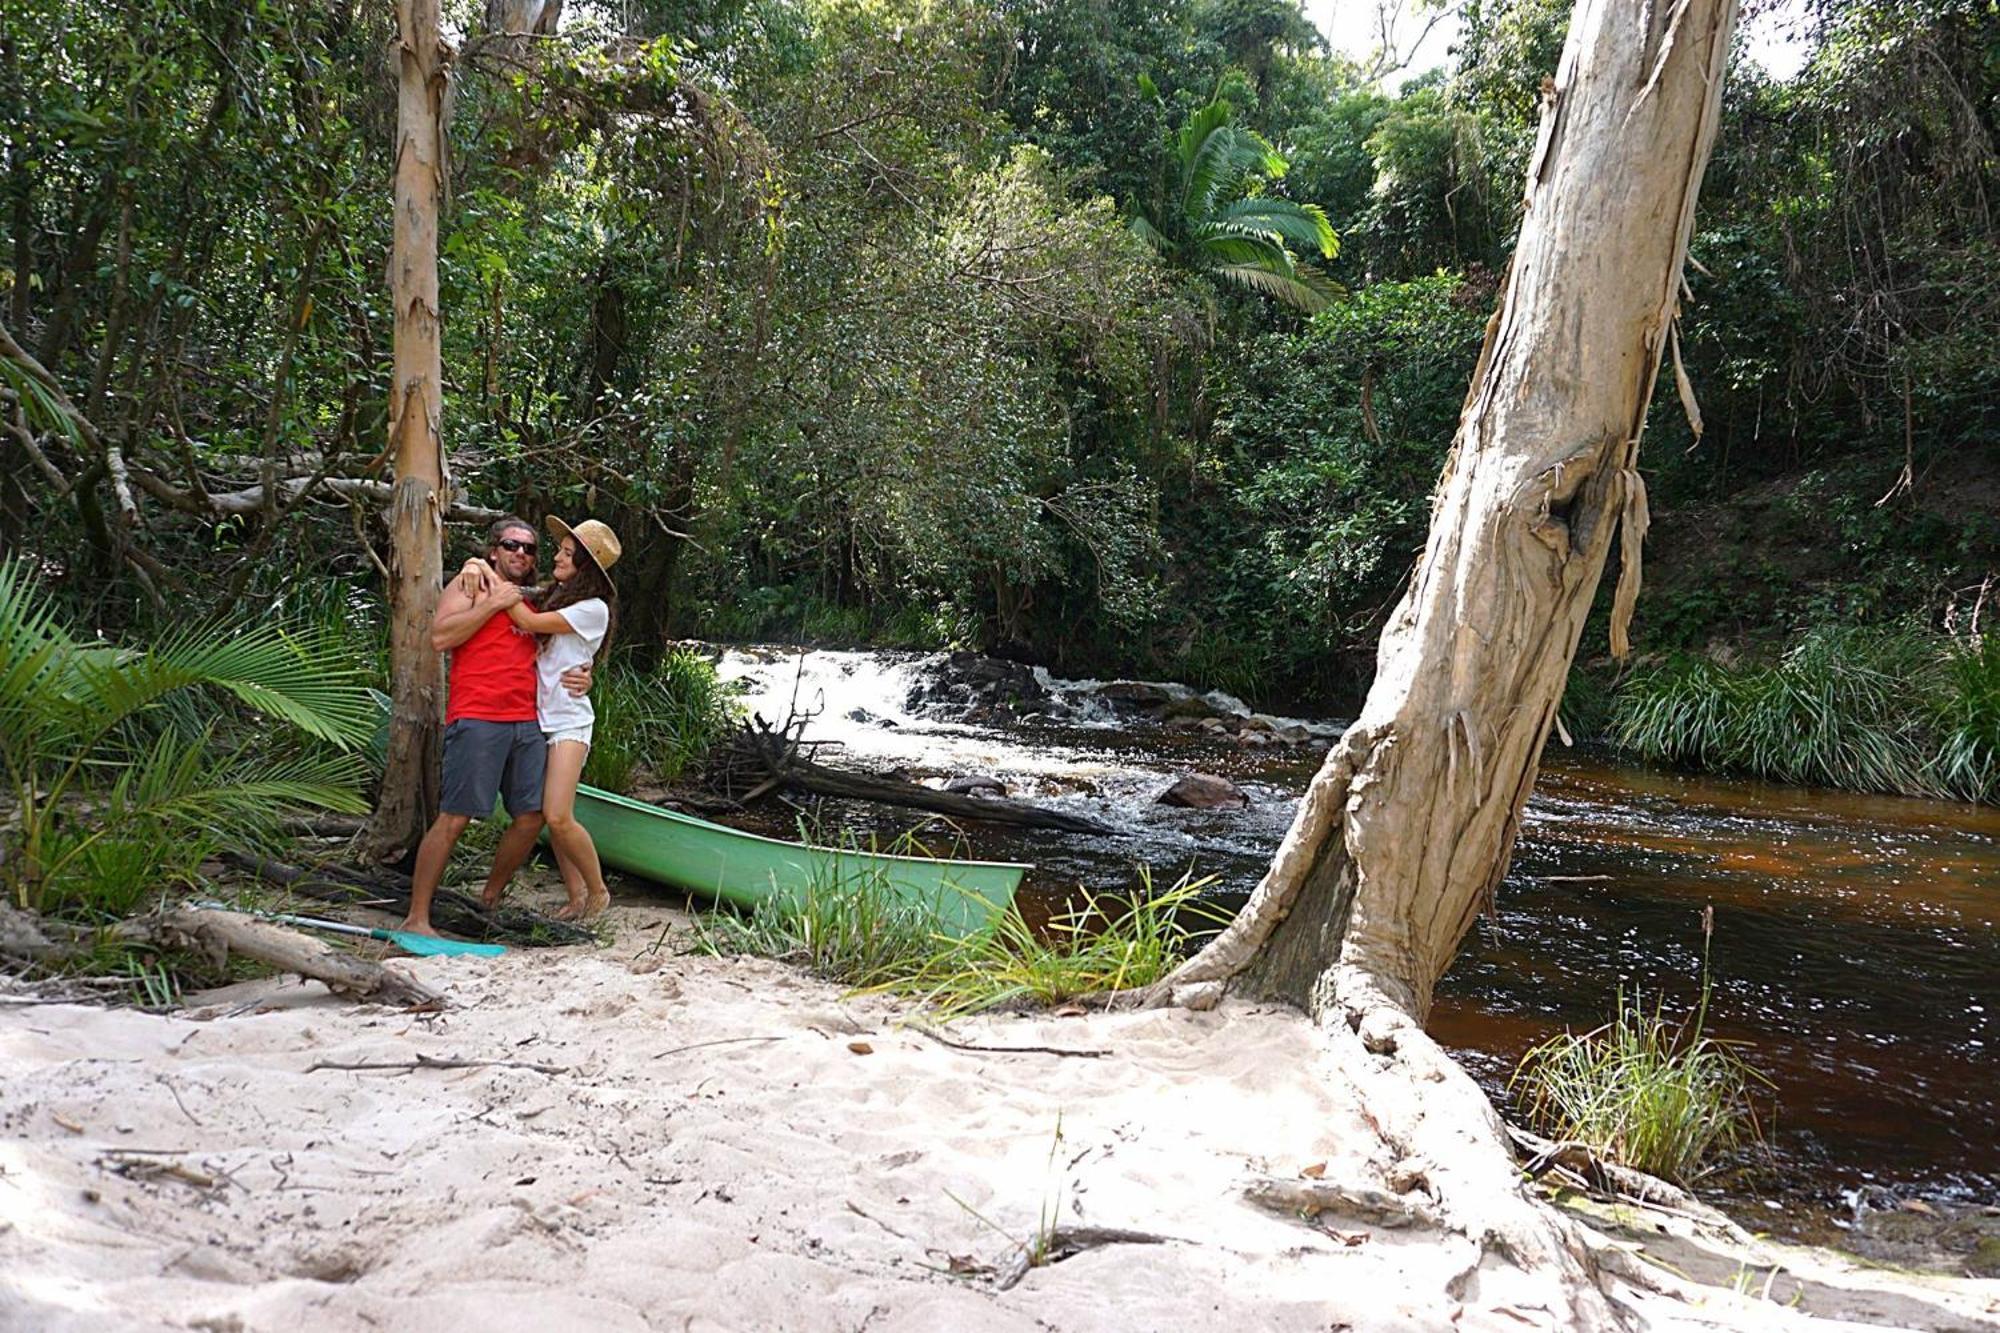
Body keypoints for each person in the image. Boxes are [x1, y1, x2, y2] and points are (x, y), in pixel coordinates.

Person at [398, 516, 589, 937]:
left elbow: (565, 647)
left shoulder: (539, 600)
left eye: (529, 548)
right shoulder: (470, 586)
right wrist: (490, 602)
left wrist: (585, 673)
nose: (520, 553)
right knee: (455, 819)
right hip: (479, 717)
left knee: (532, 816)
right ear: (493, 551)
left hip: (529, 721)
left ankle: (489, 899)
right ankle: (417, 917)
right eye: (510, 544)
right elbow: (440, 638)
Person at [470, 515, 623, 921]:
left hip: (569, 723)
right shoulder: (560, 596)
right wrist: (476, 565)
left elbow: (529, 621)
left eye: (566, 553)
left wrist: (494, 582)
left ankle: (598, 892)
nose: (556, 556)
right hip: (542, 718)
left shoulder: (592, 608)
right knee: (552, 818)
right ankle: (576, 897)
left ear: (584, 567)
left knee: (557, 814)